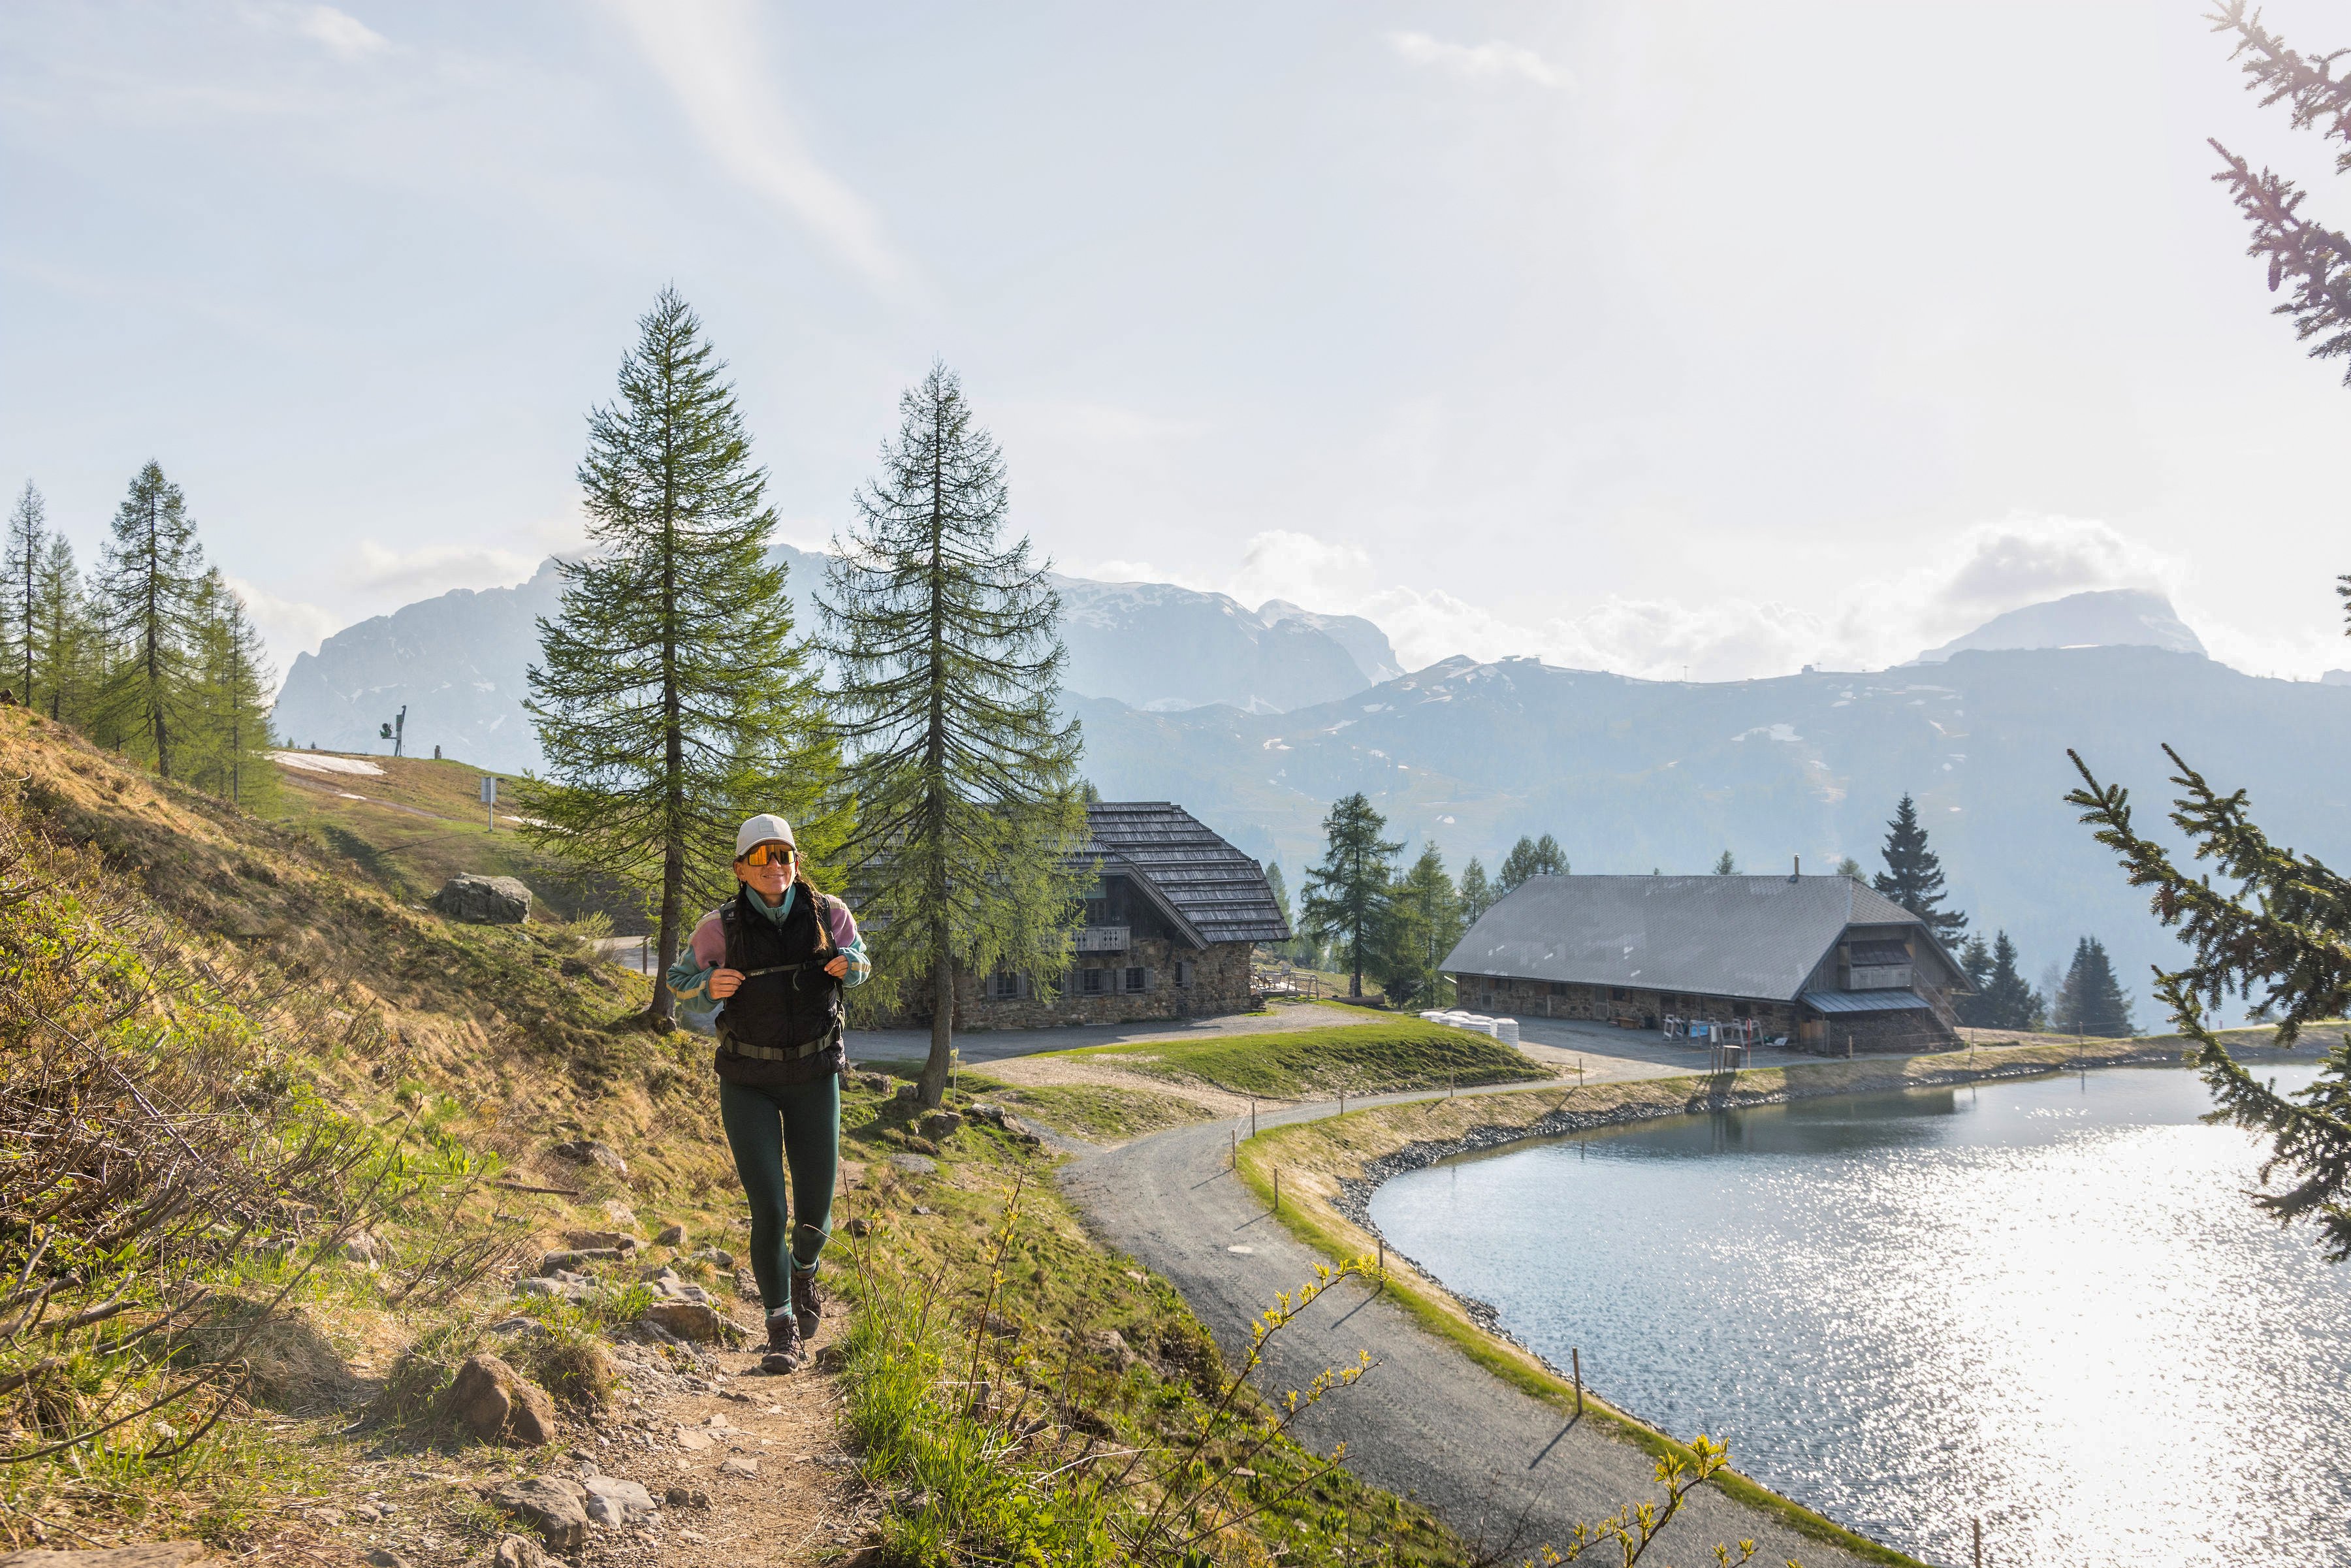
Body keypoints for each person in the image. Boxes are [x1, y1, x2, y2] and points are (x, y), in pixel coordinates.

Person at [667, 813, 869, 1373]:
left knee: (814, 1216)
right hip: (747, 1081)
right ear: (740, 868)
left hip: (814, 1076)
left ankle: (804, 1270)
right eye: (761, 857)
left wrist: (847, 964)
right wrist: (708, 984)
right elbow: (677, 981)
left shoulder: (830, 914)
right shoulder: (720, 928)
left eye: (783, 855)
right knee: (768, 1209)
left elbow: (862, 965)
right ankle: (780, 1328)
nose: (775, 866)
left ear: (796, 862)